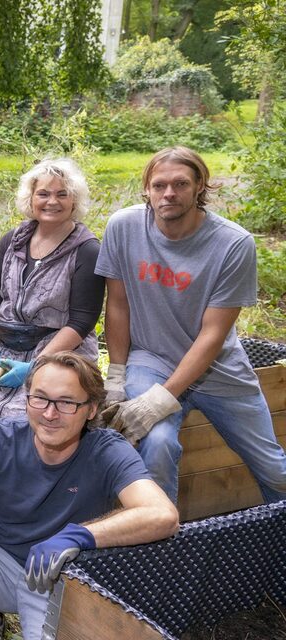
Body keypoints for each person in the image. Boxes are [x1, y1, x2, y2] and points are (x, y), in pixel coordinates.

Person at [0, 352, 178, 640]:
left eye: (66, 403)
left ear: (91, 409)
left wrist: (77, 535)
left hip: (63, 571)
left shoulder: (108, 451)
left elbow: (163, 515)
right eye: (40, 398)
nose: (50, 414)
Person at [96, 146, 286, 504]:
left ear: (200, 186)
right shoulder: (124, 227)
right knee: (157, 446)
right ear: (147, 189)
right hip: (151, 359)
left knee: (275, 470)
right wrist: (117, 378)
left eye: (180, 184)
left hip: (219, 369)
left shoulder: (233, 244)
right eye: (159, 185)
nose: (169, 194)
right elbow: (117, 306)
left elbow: (213, 335)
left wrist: (163, 399)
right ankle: (159, 544)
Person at [0, 158, 104, 456]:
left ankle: (15, 490)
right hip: (3, 345)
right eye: (43, 193)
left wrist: (37, 365)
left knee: (22, 421)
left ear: (75, 201)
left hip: (57, 350)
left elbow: (82, 321)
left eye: (62, 194)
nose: (52, 201)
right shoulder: (13, 240)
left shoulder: (87, 250)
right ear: (31, 198)